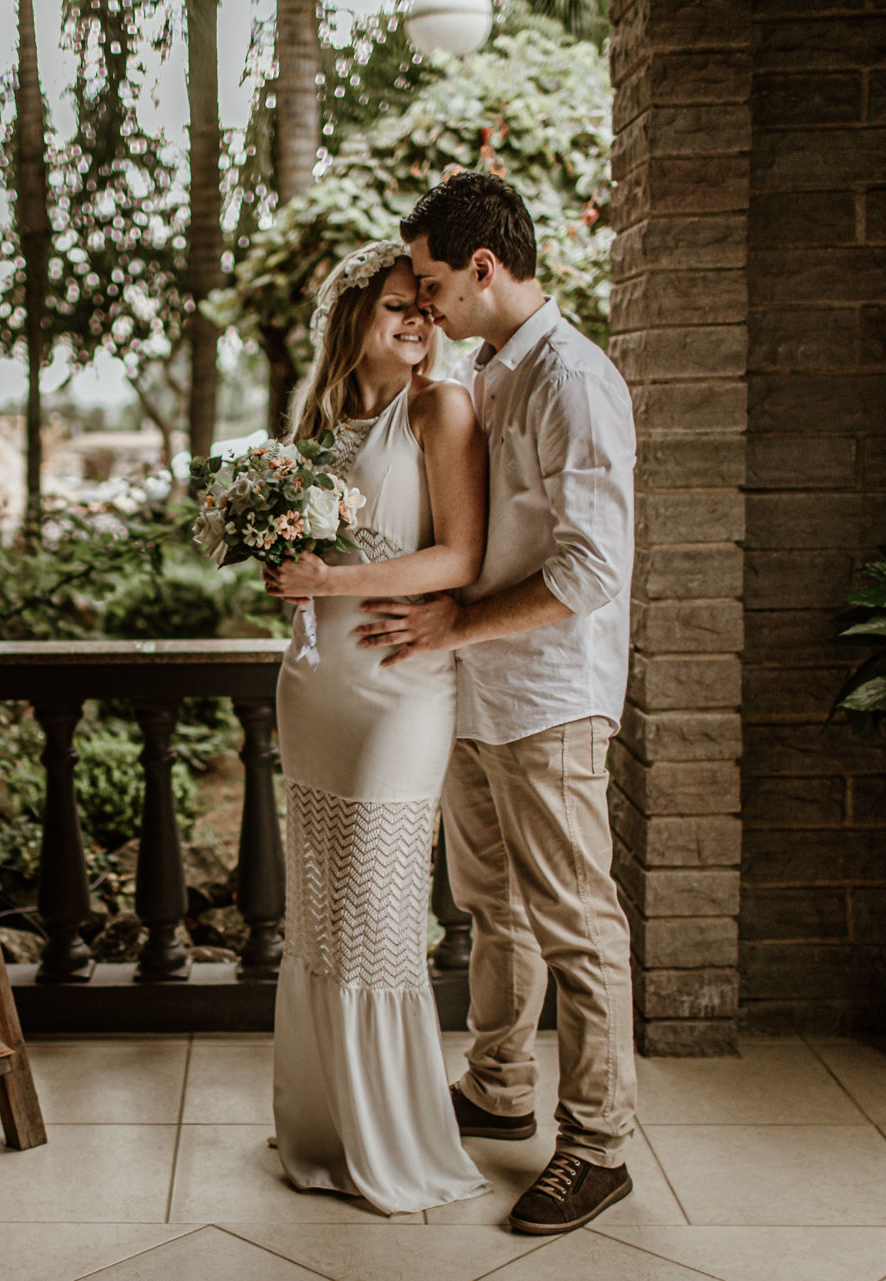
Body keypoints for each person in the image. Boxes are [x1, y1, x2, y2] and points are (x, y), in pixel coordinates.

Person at [356, 170, 640, 1236]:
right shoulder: (485, 366)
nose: (423, 306)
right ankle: (501, 1085)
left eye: (433, 283)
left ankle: (600, 1144)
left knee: (575, 918)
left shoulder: (575, 380)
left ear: (485, 268)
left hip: (551, 697)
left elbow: (589, 570)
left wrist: (452, 628)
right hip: (476, 689)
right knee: (492, 905)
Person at [257, 240, 489, 1215]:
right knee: (318, 908)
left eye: (425, 308)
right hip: (313, 684)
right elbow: (302, 567)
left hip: (402, 688)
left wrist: (332, 580)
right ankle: (324, 1128)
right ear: (354, 314)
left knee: (380, 913)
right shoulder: (315, 425)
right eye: (397, 304)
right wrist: (287, 580)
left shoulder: (438, 409)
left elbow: (459, 558)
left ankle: (394, 1140)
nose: (416, 321)